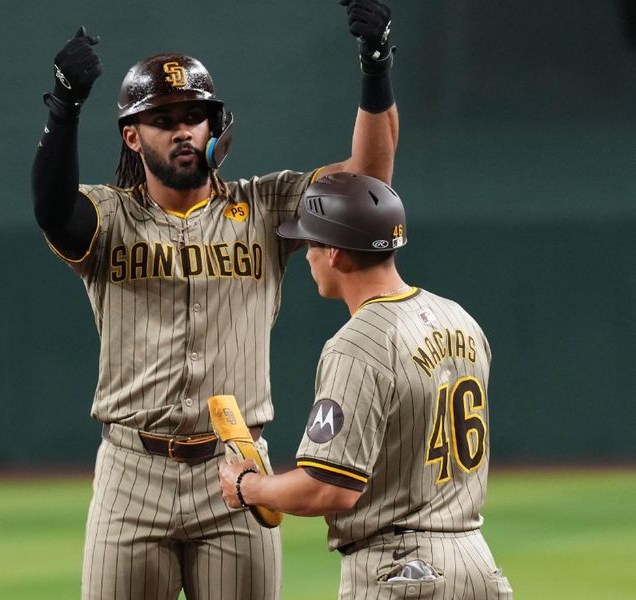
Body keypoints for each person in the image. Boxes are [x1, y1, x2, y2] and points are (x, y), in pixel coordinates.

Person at [31, 1, 398, 598]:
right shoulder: (109, 216)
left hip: (238, 470)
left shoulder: (264, 206)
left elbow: (369, 185)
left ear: (215, 125)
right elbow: (52, 210)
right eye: (164, 118)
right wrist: (64, 109)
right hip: (132, 471)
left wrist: (376, 67)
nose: (183, 129)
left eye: (196, 116)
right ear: (132, 134)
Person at [218, 173, 514, 599]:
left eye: (309, 243)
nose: (305, 256)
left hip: (402, 572)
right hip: (478, 565)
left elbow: (330, 487)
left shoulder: (357, 344)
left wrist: (250, 487)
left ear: (334, 252)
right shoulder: (460, 319)